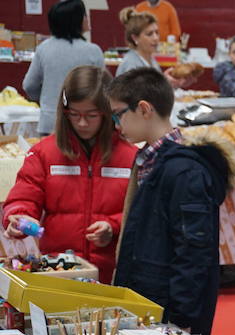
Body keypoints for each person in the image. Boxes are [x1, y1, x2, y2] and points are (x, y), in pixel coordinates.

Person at [108, 68, 235, 335]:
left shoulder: (183, 171)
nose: (116, 124)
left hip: (171, 310)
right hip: (151, 299)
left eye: (118, 114)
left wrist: (182, 319)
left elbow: (194, 252)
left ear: (144, 109)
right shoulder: (150, 160)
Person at [4, 66, 136, 285]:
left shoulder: (130, 156)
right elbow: (24, 197)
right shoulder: (43, 153)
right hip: (59, 271)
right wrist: (19, 216)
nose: (82, 123)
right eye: (74, 114)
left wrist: (113, 226)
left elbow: (141, 213)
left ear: (108, 112)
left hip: (112, 274)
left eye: (91, 115)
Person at [22, 0, 104, 136]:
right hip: (84, 124)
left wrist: (45, 99)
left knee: (50, 157)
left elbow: (29, 85)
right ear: (76, 20)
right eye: (84, 15)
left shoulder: (44, 48)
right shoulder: (93, 51)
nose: (87, 19)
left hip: (49, 121)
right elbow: (103, 88)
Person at [117, 8, 193, 88]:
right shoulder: (131, 64)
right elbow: (138, 96)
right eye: (149, 34)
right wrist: (164, 82)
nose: (156, 38)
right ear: (135, 38)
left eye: (157, 33)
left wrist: (170, 82)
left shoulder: (151, 60)